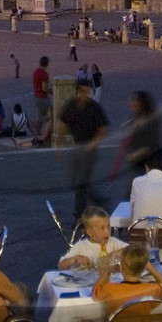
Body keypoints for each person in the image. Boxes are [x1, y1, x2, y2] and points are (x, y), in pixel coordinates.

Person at [59, 79, 109, 222]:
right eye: (84, 91)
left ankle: (79, 216)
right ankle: (99, 200)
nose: (87, 94)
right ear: (77, 92)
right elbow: (63, 124)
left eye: (88, 91)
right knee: (78, 182)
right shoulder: (72, 106)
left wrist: (92, 145)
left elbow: (102, 130)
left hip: (89, 150)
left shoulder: (94, 108)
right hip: (77, 148)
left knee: (80, 184)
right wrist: (59, 145)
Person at [58, 205, 128, 271]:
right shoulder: (81, 247)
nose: (107, 231)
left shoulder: (113, 242)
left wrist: (116, 254)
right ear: (90, 232)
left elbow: (132, 250)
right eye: (102, 228)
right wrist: (75, 259)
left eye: (108, 227)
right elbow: (61, 266)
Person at [121, 89, 162, 178]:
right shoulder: (137, 118)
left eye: (135, 100)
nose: (131, 103)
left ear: (143, 103)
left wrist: (134, 155)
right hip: (140, 163)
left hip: (153, 163)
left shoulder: (151, 120)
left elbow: (150, 145)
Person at [32, 55, 51, 124]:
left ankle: (37, 132)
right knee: (52, 115)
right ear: (47, 63)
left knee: (41, 115)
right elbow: (44, 88)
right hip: (42, 98)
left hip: (36, 96)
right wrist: (52, 91)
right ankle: (33, 122)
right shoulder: (44, 74)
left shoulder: (36, 71)